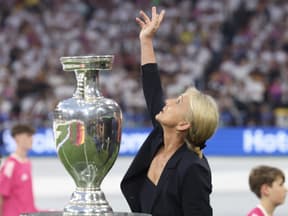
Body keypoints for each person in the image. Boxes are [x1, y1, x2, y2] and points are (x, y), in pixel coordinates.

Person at [121, 6, 219, 216]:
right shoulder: (159, 139)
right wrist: (146, 41)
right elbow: (153, 89)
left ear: (184, 124)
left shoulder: (193, 168)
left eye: (179, 101)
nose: (169, 100)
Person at [0, 124, 38, 216]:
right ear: (18, 138)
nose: (31, 139)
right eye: (28, 136)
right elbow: (1, 194)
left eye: (32, 136)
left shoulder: (27, 162)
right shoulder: (10, 165)